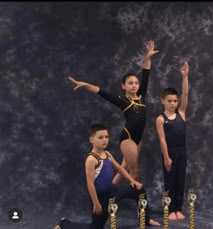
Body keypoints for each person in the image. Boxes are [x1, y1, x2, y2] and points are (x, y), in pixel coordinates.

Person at [68, 40, 159, 184]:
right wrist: (85, 85)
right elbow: (101, 92)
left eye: (136, 83)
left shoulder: (141, 96)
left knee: (123, 169)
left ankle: (109, 195)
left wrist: (147, 57)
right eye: (130, 83)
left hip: (138, 139)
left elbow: (146, 74)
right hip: (128, 138)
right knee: (134, 172)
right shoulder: (123, 101)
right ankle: (139, 206)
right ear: (124, 86)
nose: (134, 85)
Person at [54, 124, 160, 229]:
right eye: (100, 137)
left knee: (139, 189)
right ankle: (63, 223)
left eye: (106, 137)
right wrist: (96, 203)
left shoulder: (107, 154)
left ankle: (145, 219)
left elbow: (119, 168)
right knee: (96, 227)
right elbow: (90, 184)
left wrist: (132, 181)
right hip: (101, 198)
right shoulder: (91, 159)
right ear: (91, 139)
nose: (105, 140)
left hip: (112, 191)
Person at [155, 62, 189, 221]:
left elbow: (186, 94)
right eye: (169, 101)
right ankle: (169, 210)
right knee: (170, 181)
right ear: (163, 101)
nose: (173, 104)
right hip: (169, 152)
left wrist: (185, 77)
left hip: (182, 152)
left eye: (175, 101)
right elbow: (162, 139)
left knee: (180, 180)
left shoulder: (181, 113)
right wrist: (166, 156)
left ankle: (178, 208)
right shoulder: (160, 119)